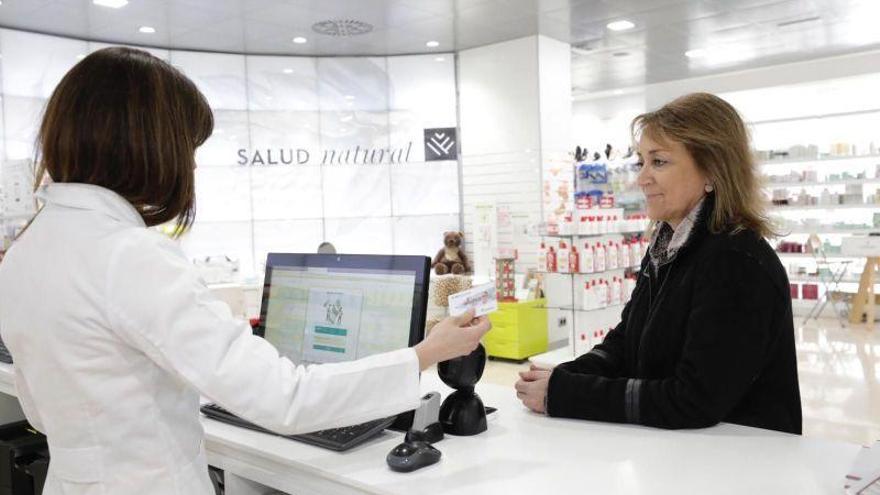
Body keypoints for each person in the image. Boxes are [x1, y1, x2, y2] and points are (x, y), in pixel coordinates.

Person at [0, 47, 491, 494]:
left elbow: (44, 410)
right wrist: (427, 353)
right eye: (187, 150)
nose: (188, 168)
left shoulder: (29, 248)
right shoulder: (129, 256)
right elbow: (285, 399)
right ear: (151, 147)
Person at [516, 92, 802, 434]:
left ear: (712, 170)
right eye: (642, 162)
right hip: (682, 457)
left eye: (659, 162)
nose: (642, 178)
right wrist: (565, 376)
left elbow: (693, 400)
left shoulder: (736, 262)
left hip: (739, 466)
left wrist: (565, 394)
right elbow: (626, 344)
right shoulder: (668, 245)